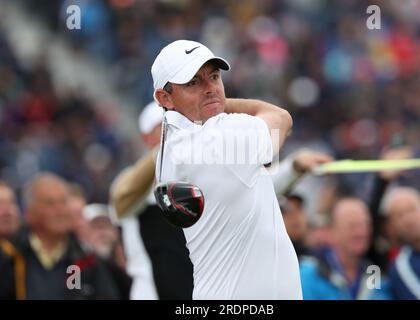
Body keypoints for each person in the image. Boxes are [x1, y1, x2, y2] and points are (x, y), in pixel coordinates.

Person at [152, 39, 301, 299]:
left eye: (214, 77)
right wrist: (221, 102)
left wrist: (206, 102)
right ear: (165, 97)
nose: (210, 88)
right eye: (193, 83)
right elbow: (281, 118)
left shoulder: (171, 146)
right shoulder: (221, 137)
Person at [110, 102, 193, 300]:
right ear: (146, 138)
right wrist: (166, 148)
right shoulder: (129, 179)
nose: (174, 132)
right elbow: (120, 201)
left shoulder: (193, 177)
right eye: (165, 127)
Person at [0, 173, 125, 299]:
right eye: (50, 203)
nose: (60, 210)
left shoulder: (86, 262)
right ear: (29, 212)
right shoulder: (9, 256)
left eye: (64, 202)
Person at [299, 198, 383, 299]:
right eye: (352, 226)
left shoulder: (373, 272)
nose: (361, 232)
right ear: (332, 232)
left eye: (365, 225)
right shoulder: (308, 273)